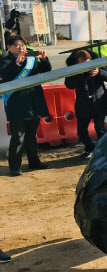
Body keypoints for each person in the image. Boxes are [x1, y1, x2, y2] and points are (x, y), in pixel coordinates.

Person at [0, 36, 51, 176]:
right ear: (9, 47)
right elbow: (4, 74)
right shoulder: (4, 61)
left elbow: (46, 71)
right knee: (18, 136)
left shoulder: (31, 59)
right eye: (17, 46)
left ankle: (34, 162)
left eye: (22, 45)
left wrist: (44, 59)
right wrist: (17, 62)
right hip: (17, 104)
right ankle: (15, 166)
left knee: (31, 135)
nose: (21, 48)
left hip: (34, 101)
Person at [64, 50, 107, 158]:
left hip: (99, 101)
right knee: (81, 131)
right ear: (76, 63)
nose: (86, 66)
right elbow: (69, 84)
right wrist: (79, 73)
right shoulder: (73, 70)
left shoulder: (98, 64)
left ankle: (104, 150)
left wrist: (99, 72)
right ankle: (89, 148)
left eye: (88, 62)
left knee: (100, 128)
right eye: (82, 63)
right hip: (83, 104)